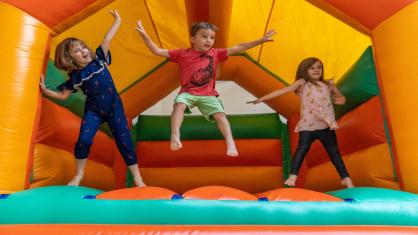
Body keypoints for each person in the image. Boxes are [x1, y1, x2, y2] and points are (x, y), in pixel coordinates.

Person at [136, 20, 276, 157]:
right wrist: (144, 34)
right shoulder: (182, 54)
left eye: (212, 37)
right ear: (192, 39)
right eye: (204, 36)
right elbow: (157, 51)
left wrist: (260, 40)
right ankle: (175, 134)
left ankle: (230, 142)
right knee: (179, 104)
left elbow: (238, 47)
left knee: (220, 115)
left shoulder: (215, 53)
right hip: (188, 92)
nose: (209, 40)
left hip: (208, 94)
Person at [39, 10, 145, 187]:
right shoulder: (76, 76)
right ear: (69, 58)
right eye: (76, 50)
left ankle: (137, 178)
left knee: (124, 140)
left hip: (114, 107)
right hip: (93, 110)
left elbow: (107, 38)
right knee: (84, 140)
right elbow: (64, 96)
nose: (83, 51)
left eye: (83, 47)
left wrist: (118, 20)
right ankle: (78, 175)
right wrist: (45, 91)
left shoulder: (100, 59)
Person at [247, 57, 354, 188]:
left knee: (334, 152)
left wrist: (341, 100)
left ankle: (345, 178)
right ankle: (293, 177)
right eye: (312, 68)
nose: (316, 70)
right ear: (305, 70)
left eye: (319, 67)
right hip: (308, 126)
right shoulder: (302, 83)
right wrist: (262, 98)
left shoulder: (329, 84)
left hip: (325, 126)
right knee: (301, 150)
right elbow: (282, 91)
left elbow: (341, 97)